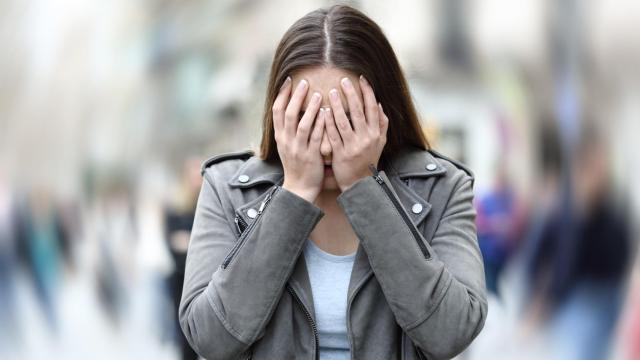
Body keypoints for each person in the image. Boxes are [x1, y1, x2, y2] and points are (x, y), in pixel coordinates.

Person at [179, 5, 487, 359]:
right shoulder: (227, 188)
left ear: (383, 112)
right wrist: (294, 194)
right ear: (278, 115)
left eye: (346, 118)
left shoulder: (444, 188)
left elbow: (451, 333)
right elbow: (211, 338)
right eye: (307, 118)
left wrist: (363, 185)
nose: (326, 143)